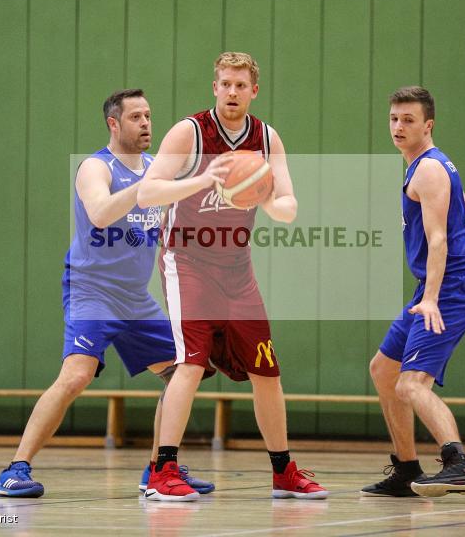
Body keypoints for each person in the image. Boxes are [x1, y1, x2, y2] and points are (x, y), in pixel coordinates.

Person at [0, 89, 213, 498]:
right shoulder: (96, 168)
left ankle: (159, 469)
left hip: (136, 298)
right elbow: (100, 212)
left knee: (181, 372)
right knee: (75, 376)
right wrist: (149, 186)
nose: (146, 123)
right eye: (136, 117)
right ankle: (15, 470)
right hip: (92, 290)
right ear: (114, 124)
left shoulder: (153, 169)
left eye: (149, 115)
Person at [137, 52, 328, 501]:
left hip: (237, 269)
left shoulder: (266, 138)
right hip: (186, 261)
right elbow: (148, 191)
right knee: (191, 363)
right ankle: (162, 470)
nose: (232, 92)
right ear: (215, 87)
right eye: (225, 84)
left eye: (241, 86)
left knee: (267, 369)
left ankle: (283, 471)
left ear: (253, 90)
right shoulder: (190, 132)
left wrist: (258, 195)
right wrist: (206, 181)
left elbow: (288, 206)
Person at [361, 86, 465, 498]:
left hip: (444, 290)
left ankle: (459, 465)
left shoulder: (429, 170)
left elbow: (439, 240)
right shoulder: (431, 165)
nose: (398, 127)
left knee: (411, 384)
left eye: (409, 120)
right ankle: (406, 469)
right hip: (448, 286)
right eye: (394, 118)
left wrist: (435, 297)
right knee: (384, 370)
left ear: (427, 125)